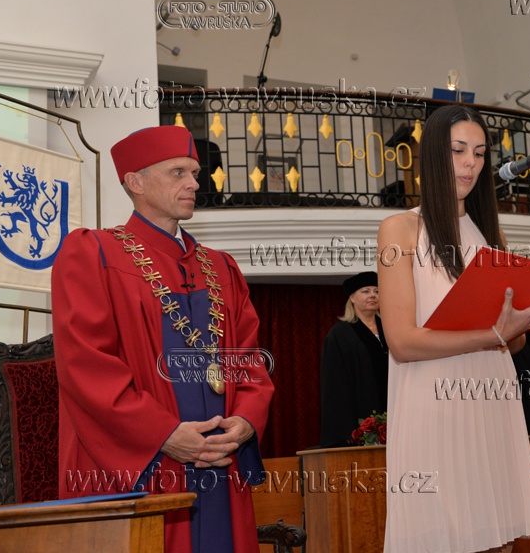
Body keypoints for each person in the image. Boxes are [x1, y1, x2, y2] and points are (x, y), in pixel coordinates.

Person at [52, 126, 275, 553]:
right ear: (135, 182)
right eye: (178, 173)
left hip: (220, 465)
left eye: (195, 173)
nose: (194, 184)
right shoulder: (93, 254)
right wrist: (164, 434)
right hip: (143, 470)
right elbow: (86, 366)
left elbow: (249, 361)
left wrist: (245, 421)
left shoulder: (221, 268)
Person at [377, 104, 530, 553]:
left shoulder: (489, 235)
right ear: (434, 155)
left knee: (498, 538)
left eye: (478, 153)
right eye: (458, 150)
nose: (470, 163)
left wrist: (521, 325)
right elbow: (402, 342)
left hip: (492, 400)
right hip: (434, 405)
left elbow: (512, 342)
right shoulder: (400, 229)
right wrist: (494, 336)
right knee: (444, 538)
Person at [319, 271, 389, 447]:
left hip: (394, 408)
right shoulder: (340, 335)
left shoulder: (390, 329)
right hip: (360, 411)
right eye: (366, 291)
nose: (373, 295)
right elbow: (335, 384)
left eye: (377, 291)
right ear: (352, 298)